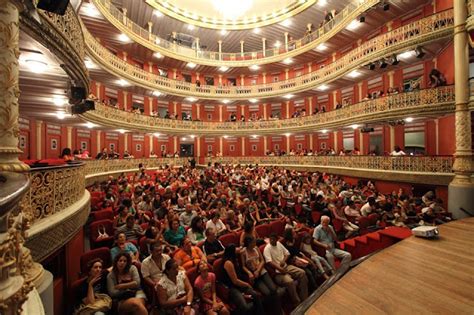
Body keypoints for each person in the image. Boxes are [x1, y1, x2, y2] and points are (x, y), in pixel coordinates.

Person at [241, 236, 283, 314]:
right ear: (249, 244)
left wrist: (258, 270)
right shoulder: (243, 252)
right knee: (267, 292)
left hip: (262, 271)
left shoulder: (256, 248)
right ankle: (272, 311)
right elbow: (243, 266)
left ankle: (279, 310)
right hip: (255, 276)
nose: (255, 243)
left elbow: (262, 260)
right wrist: (249, 272)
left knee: (273, 289)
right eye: (253, 242)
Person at [263, 233, 308, 305]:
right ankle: (297, 302)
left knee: (302, 273)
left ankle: (304, 298)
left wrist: (284, 260)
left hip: (286, 266)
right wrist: (280, 269)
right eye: (270, 239)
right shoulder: (267, 248)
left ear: (277, 239)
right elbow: (269, 262)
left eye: (273, 239)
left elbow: (287, 253)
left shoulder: (278, 243)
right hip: (277, 272)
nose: (271, 241)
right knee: (290, 281)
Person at [222, 244, 264, 315]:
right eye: (236, 248)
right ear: (232, 251)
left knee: (256, 295)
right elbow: (235, 281)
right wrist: (247, 284)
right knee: (244, 306)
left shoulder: (234, 258)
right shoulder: (228, 263)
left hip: (239, 284)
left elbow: (241, 250)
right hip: (232, 287)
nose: (238, 249)